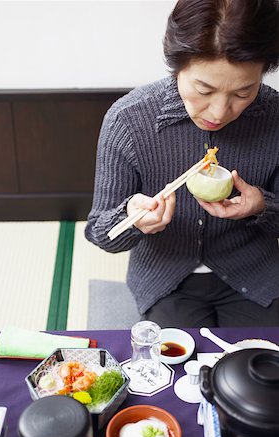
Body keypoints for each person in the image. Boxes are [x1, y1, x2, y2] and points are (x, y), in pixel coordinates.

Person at [85, 0, 279, 327]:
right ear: (177, 65)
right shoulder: (128, 121)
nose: (219, 112)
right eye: (204, 89)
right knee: (175, 371)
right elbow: (100, 231)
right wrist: (133, 217)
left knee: (260, 368)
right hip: (165, 279)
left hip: (255, 272)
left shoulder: (275, 117)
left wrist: (262, 205)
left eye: (243, 93)